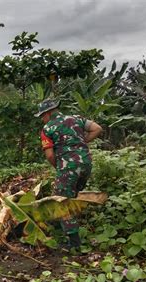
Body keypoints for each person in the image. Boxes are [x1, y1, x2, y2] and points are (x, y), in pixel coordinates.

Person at [37, 99, 102, 250]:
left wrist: (60, 168)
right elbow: (97, 128)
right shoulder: (76, 118)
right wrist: (82, 142)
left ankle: (74, 245)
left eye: (42, 115)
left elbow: (50, 156)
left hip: (68, 167)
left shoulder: (47, 128)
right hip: (86, 164)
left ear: (47, 113)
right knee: (71, 195)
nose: (42, 119)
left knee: (61, 202)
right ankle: (61, 228)